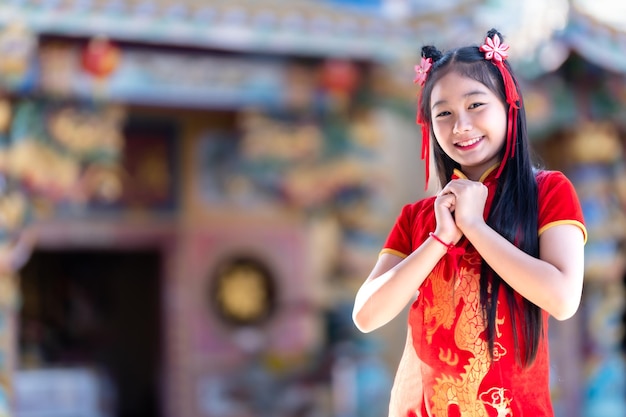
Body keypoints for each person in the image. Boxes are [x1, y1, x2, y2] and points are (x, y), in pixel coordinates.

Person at [352, 28, 587, 417]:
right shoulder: (420, 216)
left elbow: (562, 299)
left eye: (475, 105)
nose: (460, 125)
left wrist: (475, 227)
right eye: (443, 113)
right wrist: (440, 239)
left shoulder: (548, 192)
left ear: (509, 105)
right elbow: (366, 315)